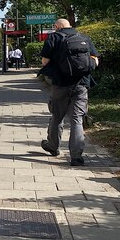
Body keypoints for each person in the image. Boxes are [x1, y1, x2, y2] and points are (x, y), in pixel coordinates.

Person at [39, 18, 100, 166]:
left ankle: (53, 147)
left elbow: (45, 62)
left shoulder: (54, 37)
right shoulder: (84, 37)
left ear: (57, 27)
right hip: (81, 84)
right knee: (77, 120)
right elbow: (95, 60)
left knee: (57, 116)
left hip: (60, 84)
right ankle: (76, 157)